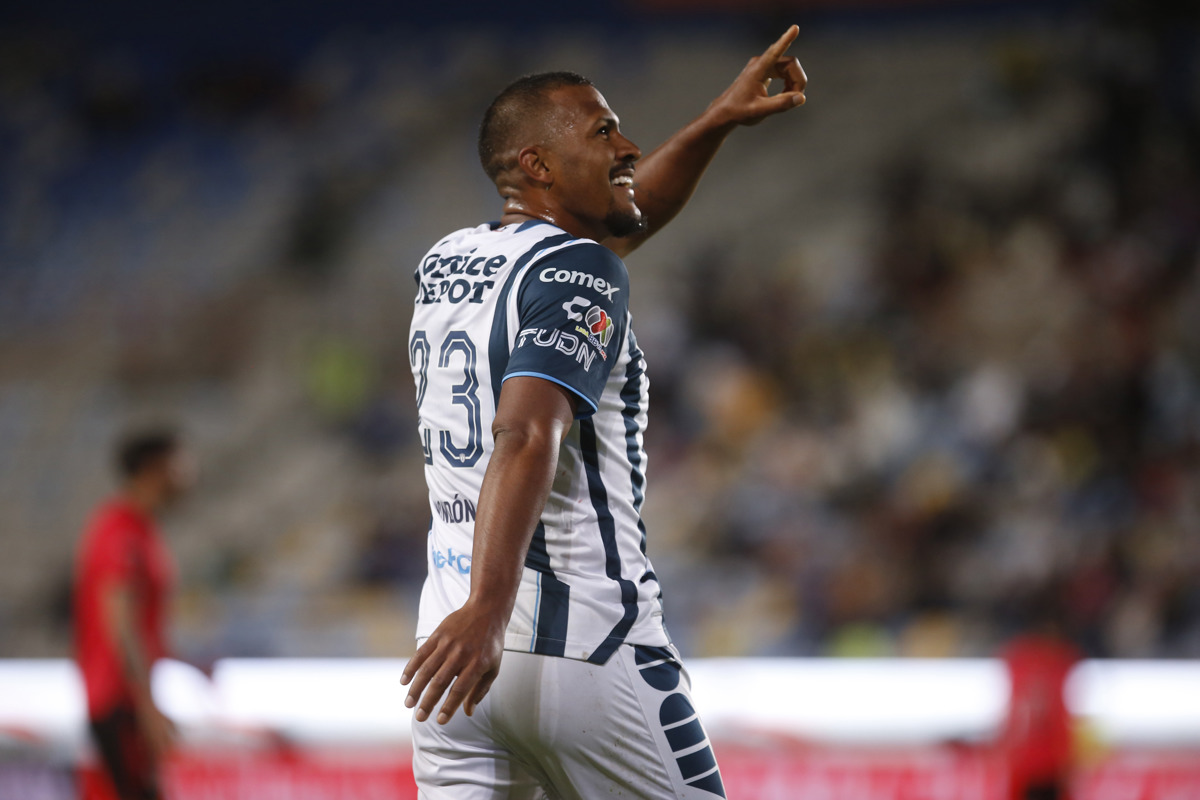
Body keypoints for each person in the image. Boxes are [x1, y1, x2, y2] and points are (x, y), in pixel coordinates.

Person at [400, 27, 806, 798]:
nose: (627, 145)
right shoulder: (581, 268)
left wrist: (717, 120)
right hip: (584, 649)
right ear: (537, 166)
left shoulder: (447, 259)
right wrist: (493, 606)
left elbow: (624, 217)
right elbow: (524, 431)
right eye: (603, 131)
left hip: (451, 664)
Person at [73, 428, 194, 800]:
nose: (190, 472)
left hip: (125, 697)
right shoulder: (120, 530)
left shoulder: (139, 529)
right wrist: (146, 706)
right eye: (181, 462)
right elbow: (120, 625)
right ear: (154, 468)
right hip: (119, 699)